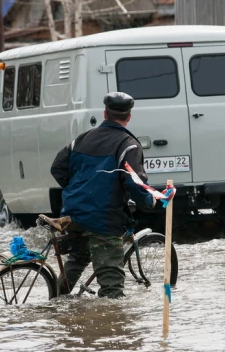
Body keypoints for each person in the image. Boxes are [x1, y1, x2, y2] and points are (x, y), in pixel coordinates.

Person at [50, 91, 155, 299]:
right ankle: (110, 324)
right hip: (104, 219)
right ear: (129, 117)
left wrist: (78, 190)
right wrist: (149, 201)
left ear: (104, 114)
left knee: (78, 259)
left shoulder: (81, 139)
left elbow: (57, 168)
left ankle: (54, 303)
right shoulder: (128, 145)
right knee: (112, 292)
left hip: (74, 213)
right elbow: (135, 184)